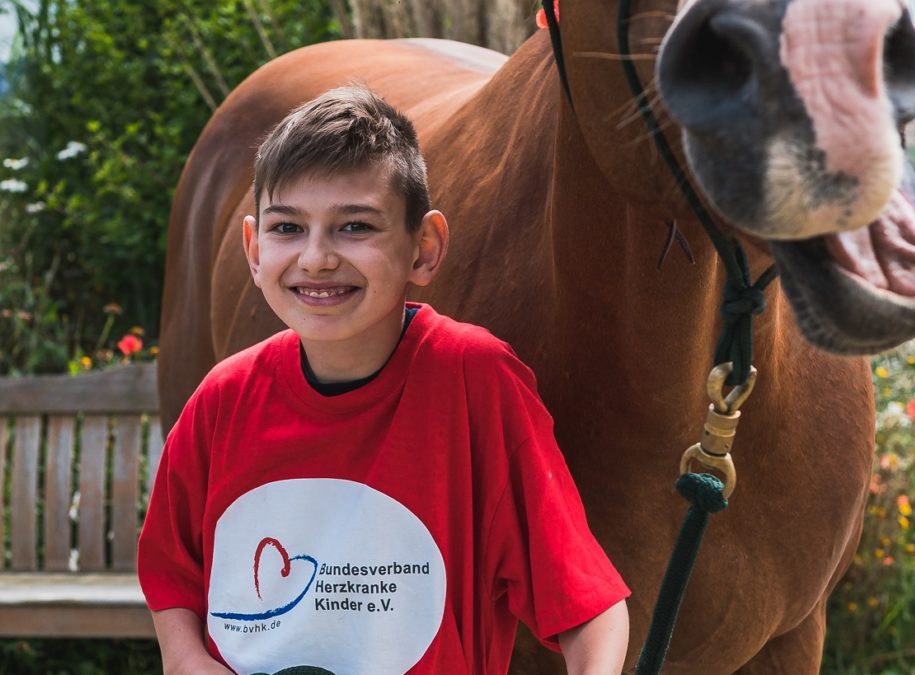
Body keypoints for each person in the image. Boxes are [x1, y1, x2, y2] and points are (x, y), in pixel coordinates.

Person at [137, 85, 630, 675]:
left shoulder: (474, 381)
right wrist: (185, 658)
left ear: (424, 248)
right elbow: (172, 576)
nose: (316, 258)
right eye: (288, 228)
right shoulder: (223, 399)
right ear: (253, 248)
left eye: (355, 227)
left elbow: (587, 606)